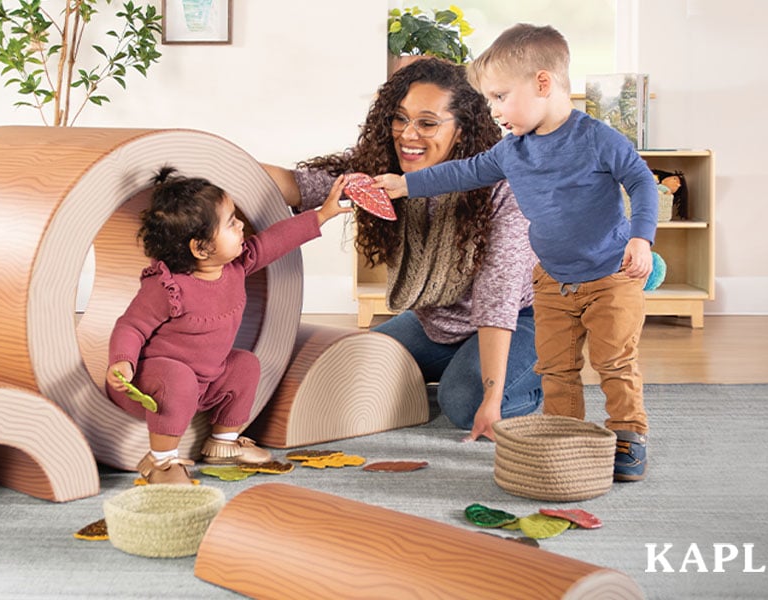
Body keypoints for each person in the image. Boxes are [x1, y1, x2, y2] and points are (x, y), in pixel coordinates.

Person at [375, 24, 656, 482]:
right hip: (551, 281)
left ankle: (628, 434)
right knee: (557, 367)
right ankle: (567, 436)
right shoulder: (512, 151)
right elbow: (461, 173)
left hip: (609, 274)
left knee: (614, 361)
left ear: (542, 84)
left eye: (501, 97)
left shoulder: (597, 139)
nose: (494, 110)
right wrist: (405, 184)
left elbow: (641, 182)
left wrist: (641, 237)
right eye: (490, 99)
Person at [263, 57, 543, 443]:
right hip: (438, 322)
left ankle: (532, 378)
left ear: (461, 131)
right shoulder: (384, 172)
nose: (408, 134)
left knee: (464, 404)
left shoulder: (503, 187)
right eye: (400, 118)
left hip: (519, 318)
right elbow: (301, 185)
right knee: (350, 365)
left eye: (427, 123)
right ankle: (459, 365)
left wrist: (493, 396)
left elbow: (498, 298)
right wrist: (224, 164)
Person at [107, 166, 351, 484]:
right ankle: (161, 462)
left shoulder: (234, 268)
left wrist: (321, 215)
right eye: (231, 223)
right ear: (200, 247)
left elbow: (272, 242)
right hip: (152, 386)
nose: (241, 227)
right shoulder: (168, 287)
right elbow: (131, 326)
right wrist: (122, 361)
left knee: (244, 364)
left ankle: (223, 443)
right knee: (178, 376)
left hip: (204, 384)